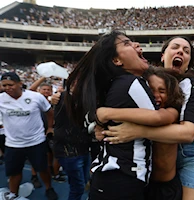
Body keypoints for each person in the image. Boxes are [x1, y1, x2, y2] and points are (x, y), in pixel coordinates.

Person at [98, 36, 194, 200]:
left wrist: (137, 131)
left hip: (193, 155)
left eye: (186, 51)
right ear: (162, 55)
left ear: (188, 62)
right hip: (156, 157)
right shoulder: (147, 78)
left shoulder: (192, 86)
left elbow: (188, 134)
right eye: (175, 47)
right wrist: (97, 123)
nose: (180, 51)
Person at [65, 30, 176, 200]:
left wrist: (103, 116)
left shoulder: (119, 84)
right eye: (126, 43)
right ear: (116, 60)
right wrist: (174, 111)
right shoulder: (131, 82)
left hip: (113, 178)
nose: (136, 45)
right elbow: (158, 120)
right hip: (121, 179)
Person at [95, 67, 184, 200]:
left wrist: (106, 112)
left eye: (162, 91)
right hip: (142, 180)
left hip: (163, 187)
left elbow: (160, 118)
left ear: (171, 94)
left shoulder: (171, 112)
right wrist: (98, 126)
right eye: (150, 90)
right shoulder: (140, 114)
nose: (155, 95)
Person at [0, 72, 58, 200]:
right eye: (4, 85)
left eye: (11, 84)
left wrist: (49, 127)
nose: (7, 88)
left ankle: (49, 188)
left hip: (36, 142)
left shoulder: (36, 97)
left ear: (20, 84)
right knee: (14, 172)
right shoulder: (1, 99)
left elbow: (49, 112)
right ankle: (13, 194)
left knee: (43, 169)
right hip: (13, 144)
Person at [50, 91, 92, 200]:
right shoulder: (63, 98)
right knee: (78, 187)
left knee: (83, 181)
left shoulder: (89, 97)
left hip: (83, 148)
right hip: (69, 151)